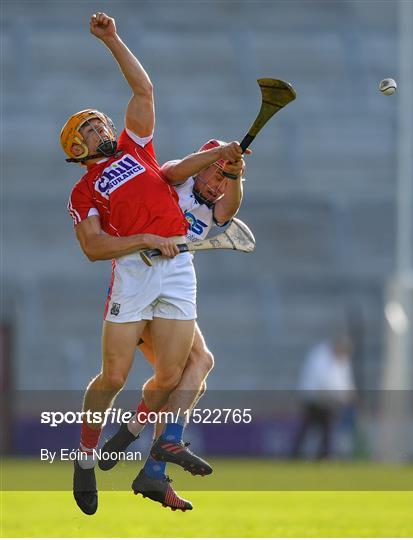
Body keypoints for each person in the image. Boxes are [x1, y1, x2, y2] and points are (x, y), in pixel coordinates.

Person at [62, 12, 243, 515]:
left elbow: (144, 91)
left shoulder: (134, 148)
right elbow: (93, 248)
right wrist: (144, 238)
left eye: (101, 120)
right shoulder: (85, 189)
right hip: (136, 272)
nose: (103, 125)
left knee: (173, 375)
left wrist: (113, 40)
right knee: (114, 377)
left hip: (178, 266)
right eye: (91, 126)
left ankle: (154, 441)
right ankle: (85, 455)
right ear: (77, 147)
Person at [97, 139, 247, 508]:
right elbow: (172, 170)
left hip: (172, 291)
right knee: (183, 370)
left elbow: (231, 206)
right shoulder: (177, 178)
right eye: (215, 176)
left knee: (195, 366)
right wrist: (220, 155)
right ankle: (147, 444)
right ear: (204, 164)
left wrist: (236, 174)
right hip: (140, 288)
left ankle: (153, 462)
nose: (217, 186)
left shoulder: (214, 208)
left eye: (224, 182)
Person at [292, 335, 356, 460]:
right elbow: (322, 381)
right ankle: (298, 454)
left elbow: (344, 381)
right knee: (310, 427)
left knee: (325, 428)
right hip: (313, 399)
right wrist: (341, 395)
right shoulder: (319, 355)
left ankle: (322, 456)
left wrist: (349, 394)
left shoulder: (342, 359)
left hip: (329, 401)